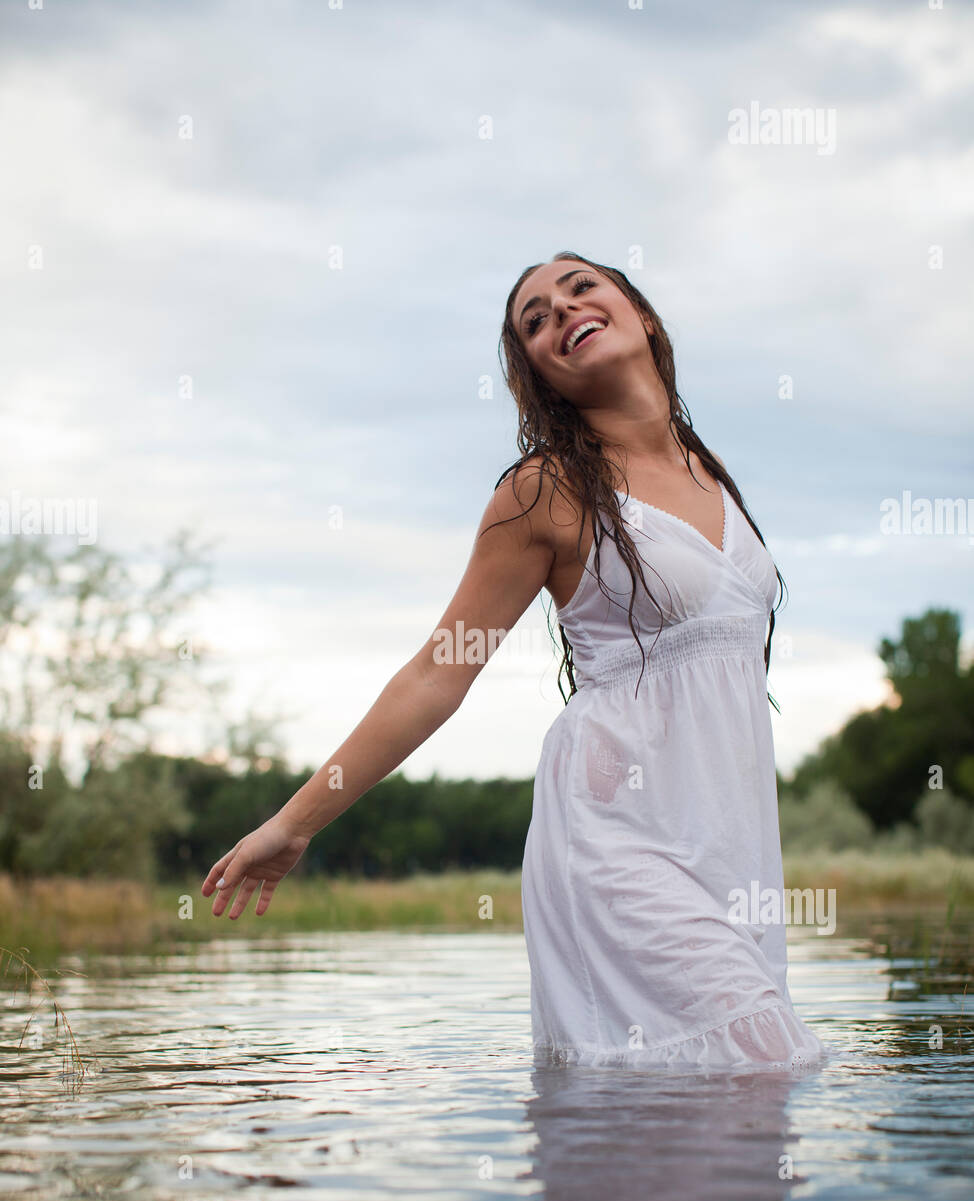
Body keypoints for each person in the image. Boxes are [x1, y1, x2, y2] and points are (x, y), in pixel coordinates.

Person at [202, 251, 829, 1073]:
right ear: (538, 373)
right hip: (615, 843)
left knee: (715, 1116)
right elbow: (436, 674)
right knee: (759, 1063)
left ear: (641, 315)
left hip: (727, 850)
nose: (561, 311)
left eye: (580, 290)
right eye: (534, 321)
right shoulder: (546, 491)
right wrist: (292, 824)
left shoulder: (712, 475)